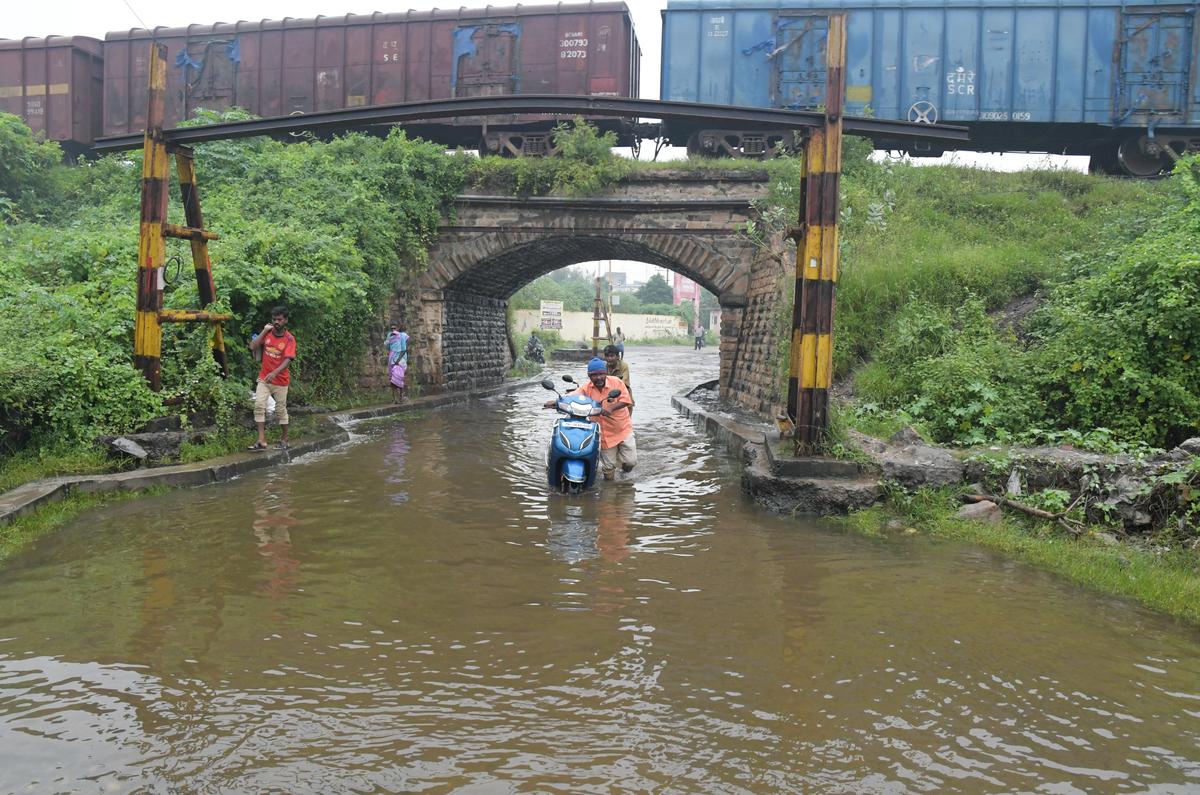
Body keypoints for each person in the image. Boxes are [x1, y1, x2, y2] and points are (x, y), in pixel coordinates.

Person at [578, 357, 636, 481]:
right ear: (589, 375)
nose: (598, 378)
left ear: (605, 373)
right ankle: (609, 493)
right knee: (608, 470)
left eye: (601, 374)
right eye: (594, 375)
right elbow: (573, 396)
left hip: (622, 429)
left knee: (630, 462)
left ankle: (624, 474)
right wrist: (556, 402)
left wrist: (611, 408)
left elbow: (626, 400)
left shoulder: (616, 382)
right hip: (604, 434)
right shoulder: (586, 388)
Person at [248, 306, 296, 450]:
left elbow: (288, 360)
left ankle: (285, 439)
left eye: (279, 319)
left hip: (280, 380)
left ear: (285, 321)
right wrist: (264, 330)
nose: (276, 322)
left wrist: (275, 372)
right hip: (264, 378)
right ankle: (261, 440)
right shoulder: (267, 334)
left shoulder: (289, 339)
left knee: (280, 410)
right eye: (274, 319)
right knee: (259, 406)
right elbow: (253, 346)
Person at [385, 323, 410, 403]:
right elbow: (388, 348)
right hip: (392, 359)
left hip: (400, 360)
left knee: (399, 377)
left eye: (394, 328)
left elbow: (403, 350)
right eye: (391, 328)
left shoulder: (401, 336)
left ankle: (400, 397)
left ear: (398, 329)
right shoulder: (390, 336)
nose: (393, 330)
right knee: (392, 380)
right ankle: (394, 398)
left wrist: (398, 361)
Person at [604, 344, 633, 413]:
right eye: (607, 356)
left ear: (618, 357)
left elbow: (624, 384)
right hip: (608, 397)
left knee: (626, 421)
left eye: (612, 356)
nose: (609, 358)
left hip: (624, 397)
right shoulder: (603, 367)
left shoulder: (623, 366)